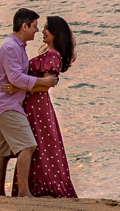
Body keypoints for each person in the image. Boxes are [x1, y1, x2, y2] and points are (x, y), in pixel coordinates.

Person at [5, 16, 79, 198]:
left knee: (39, 146)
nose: (43, 31)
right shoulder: (48, 54)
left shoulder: (53, 55)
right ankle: (33, 187)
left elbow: (46, 85)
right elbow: (44, 82)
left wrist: (17, 86)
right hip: (33, 105)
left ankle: (41, 187)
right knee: (37, 146)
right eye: (43, 27)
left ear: (56, 33)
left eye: (47, 28)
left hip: (38, 106)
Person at [0, 8, 58, 197]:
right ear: (24, 26)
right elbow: (15, 78)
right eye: (35, 26)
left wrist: (19, 85)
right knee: (28, 146)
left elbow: (15, 79)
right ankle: (23, 193)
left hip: (3, 105)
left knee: (3, 153)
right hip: (8, 107)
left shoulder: (17, 47)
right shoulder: (11, 47)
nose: (37, 30)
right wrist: (44, 82)